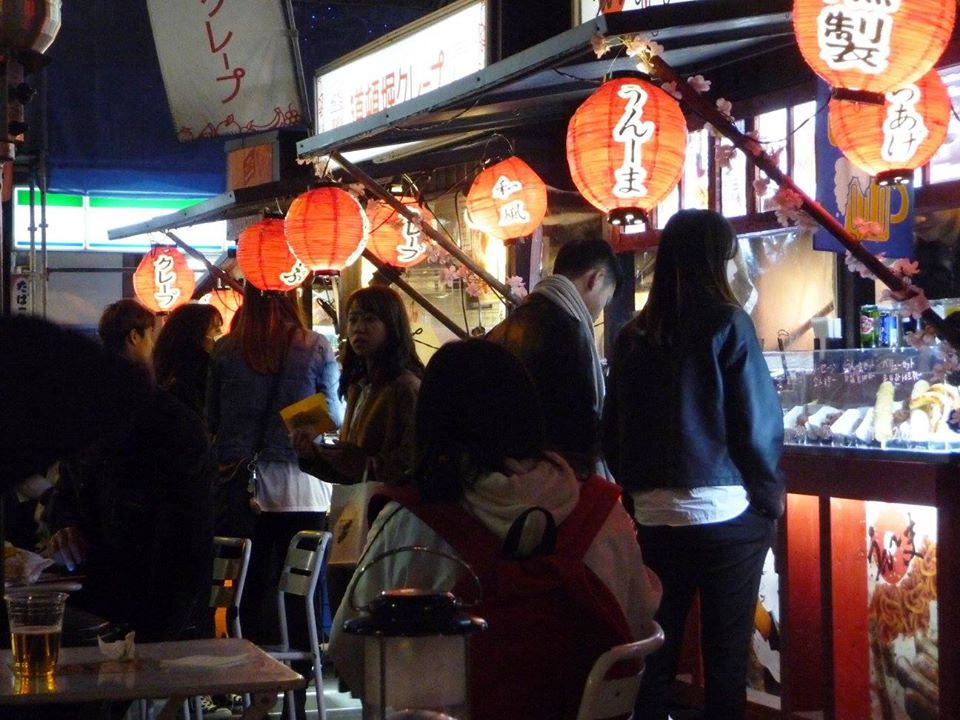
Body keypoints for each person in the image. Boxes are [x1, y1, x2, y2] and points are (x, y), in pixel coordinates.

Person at [329, 339, 661, 719]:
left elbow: (352, 655)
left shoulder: (410, 524)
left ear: (431, 420)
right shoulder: (604, 513)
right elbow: (638, 622)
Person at [602, 209, 785, 720]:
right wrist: (770, 500)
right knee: (725, 658)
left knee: (657, 650)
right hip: (726, 514)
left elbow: (612, 431)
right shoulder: (728, 322)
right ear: (718, 260)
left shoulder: (634, 335)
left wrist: (639, 495)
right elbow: (757, 426)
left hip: (655, 518)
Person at [44, 298, 215, 643]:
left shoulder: (173, 425)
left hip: (146, 598)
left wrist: (157, 632)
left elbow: (184, 539)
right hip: (98, 586)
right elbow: (65, 492)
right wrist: (65, 524)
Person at [206, 283, 340, 720]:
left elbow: (212, 420)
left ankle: (254, 696)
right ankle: (298, 702)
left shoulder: (226, 350)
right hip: (306, 489)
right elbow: (333, 417)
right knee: (299, 599)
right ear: (291, 298)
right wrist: (295, 423)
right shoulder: (315, 345)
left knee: (249, 596)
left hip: (247, 492)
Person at [487, 237, 623, 477]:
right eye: (606, 300)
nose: (600, 310)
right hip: (558, 486)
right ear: (596, 279)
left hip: (507, 478)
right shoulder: (571, 332)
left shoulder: (499, 332)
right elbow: (580, 431)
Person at [293, 285, 424, 487]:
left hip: (392, 510)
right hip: (363, 509)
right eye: (353, 319)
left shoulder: (407, 388)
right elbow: (348, 474)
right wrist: (311, 454)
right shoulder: (358, 387)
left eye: (370, 319)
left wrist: (363, 464)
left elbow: (415, 462)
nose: (358, 328)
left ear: (392, 325)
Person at [153, 302, 223, 415]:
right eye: (216, 330)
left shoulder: (165, 378)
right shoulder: (204, 373)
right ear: (196, 335)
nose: (221, 335)